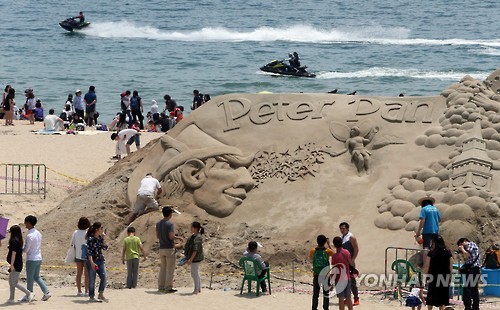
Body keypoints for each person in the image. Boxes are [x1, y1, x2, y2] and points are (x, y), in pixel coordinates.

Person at [23, 215, 51, 301]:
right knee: (36, 277)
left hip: (31, 258)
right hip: (38, 257)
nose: (25, 224)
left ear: (29, 223)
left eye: (26, 222)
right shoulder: (38, 233)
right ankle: (46, 291)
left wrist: (20, 248)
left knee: (30, 278)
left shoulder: (29, 236)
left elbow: (26, 249)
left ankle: (29, 294)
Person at [156, 206, 184, 293]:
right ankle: (168, 287)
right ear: (170, 214)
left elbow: (157, 236)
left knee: (163, 268)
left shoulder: (158, 223)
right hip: (169, 248)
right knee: (170, 269)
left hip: (161, 248)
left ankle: (161, 286)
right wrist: (179, 237)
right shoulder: (169, 224)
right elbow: (171, 236)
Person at [7, 225, 35, 304]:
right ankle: (11, 298)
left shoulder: (14, 241)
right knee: (11, 281)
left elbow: (14, 254)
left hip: (16, 264)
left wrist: (12, 264)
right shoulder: (18, 240)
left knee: (14, 282)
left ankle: (29, 293)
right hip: (16, 263)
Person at [424, 235, 452, 310]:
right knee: (442, 296)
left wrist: (425, 276)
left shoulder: (432, 253)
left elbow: (427, 266)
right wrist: (450, 276)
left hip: (433, 276)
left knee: (431, 295)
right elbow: (450, 266)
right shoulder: (447, 252)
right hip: (444, 276)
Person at [309, 234, 334, 310]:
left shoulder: (313, 250)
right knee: (326, 293)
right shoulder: (327, 251)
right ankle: (326, 308)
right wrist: (329, 244)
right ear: (324, 242)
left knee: (315, 294)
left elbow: (310, 258)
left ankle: (314, 307)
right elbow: (333, 253)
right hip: (325, 274)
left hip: (316, 274)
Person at [86, 222, 108, 302]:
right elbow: (89, 252)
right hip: (92, 261)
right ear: (96, 229)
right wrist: (91, 263)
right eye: (101, 228)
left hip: (100, 260)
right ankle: (91, 296)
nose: (102, 229)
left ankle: (101, 293)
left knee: (104, 277)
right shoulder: (91, 239)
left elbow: (105, 248)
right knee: (92, 280)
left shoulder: (100, 238)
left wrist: (104, 239)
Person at [457, 237, 481, 310]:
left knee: (468, 288)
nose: (461, 246)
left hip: (474, 269)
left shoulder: (471, 244)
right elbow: (468, 258)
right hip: (471, 269)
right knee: (472, 289)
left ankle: (469, 307)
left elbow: (467, 255)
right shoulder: (468, 248)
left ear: (464, 241)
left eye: (461, 244)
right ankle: (473, 307)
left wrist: (462, 249)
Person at [339, 222, 360, 306]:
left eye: (343, 228)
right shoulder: (341, 238)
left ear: (347, 228)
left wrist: (353, 259)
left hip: (350, 262)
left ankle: (356, 298)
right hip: (343, 263)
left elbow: (356, 249)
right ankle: (347, 298)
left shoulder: (351, 237)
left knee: (352, 281)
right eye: (341, 228)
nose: (342, 230)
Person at [69, 217, 91, 296]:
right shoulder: (88, 232)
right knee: (87, 274)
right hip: (86, 255)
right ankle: (86, 290)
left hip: (78, 254)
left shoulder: (75, 232)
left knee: (79, 273)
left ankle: (79, 290)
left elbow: (72, 243)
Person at [331, 236, 353, 310]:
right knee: (348, 298)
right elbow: (351, 263)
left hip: (339, 279)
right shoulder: (347, 252)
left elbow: (334, 270)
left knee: (341, 299)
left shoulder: (334, 256)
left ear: (334, 245)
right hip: (347, 277)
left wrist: (331, 281)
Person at [183, 222, 204, 294]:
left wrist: (191, 259)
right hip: (195, 258)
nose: (190, 228)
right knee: (196, 273)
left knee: (194, 273)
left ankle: (196, 289)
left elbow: (195, 250)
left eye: (192, 227)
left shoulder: (197, 238)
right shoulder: (194, 237)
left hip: (196, 258)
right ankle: (198, 288)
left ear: (195, 228)